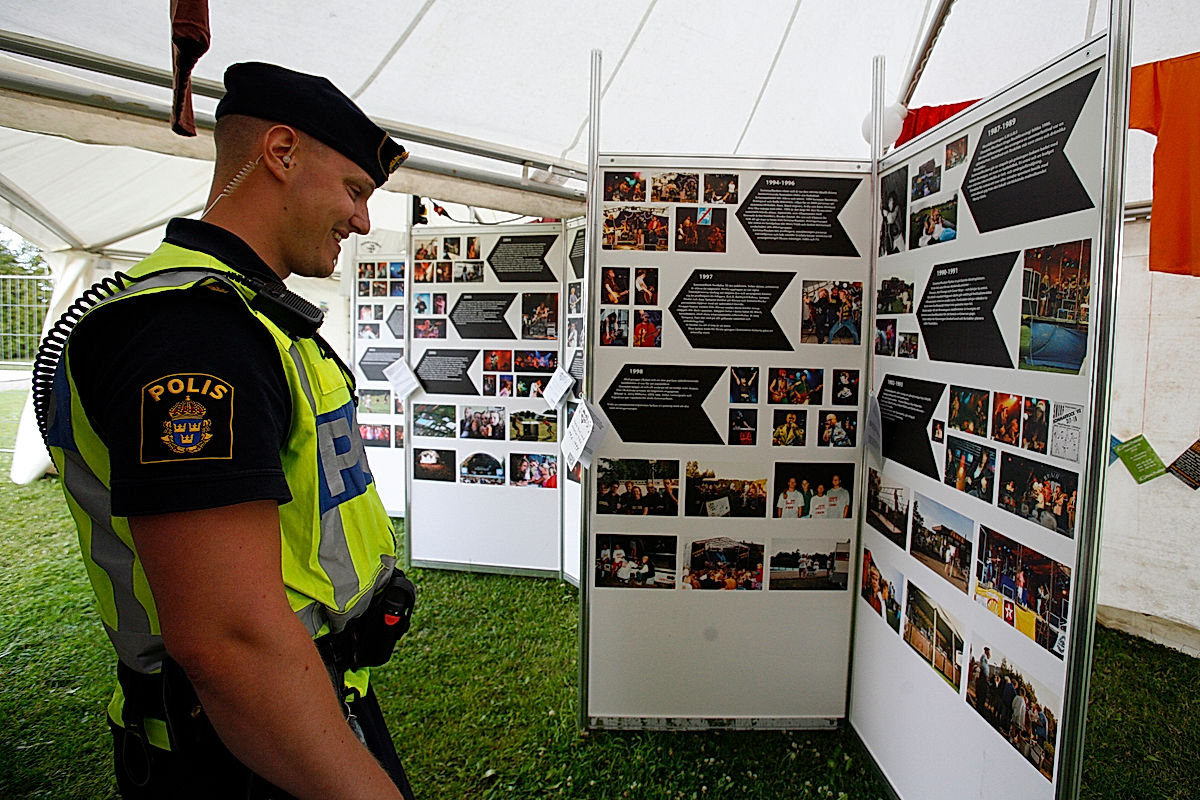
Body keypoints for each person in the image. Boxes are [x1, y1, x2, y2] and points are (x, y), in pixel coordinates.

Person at [36, 63, 416, 799]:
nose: (363, 221)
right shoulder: (191, 334)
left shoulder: (246, 314)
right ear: (280, 152)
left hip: (299, 707)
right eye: (355, 191)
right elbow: (229, 642)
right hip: (242, 740)